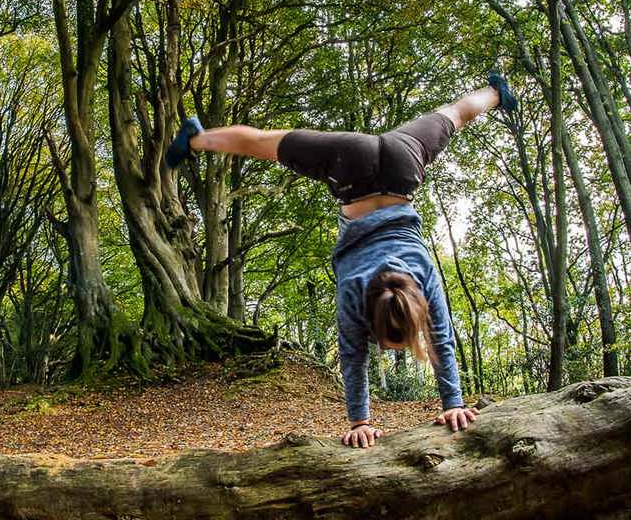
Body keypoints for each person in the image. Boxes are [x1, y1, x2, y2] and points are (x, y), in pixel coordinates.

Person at [165, 73, 518, 448]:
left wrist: (367, 420)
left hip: (394, 163)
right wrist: (448, 404)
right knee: (454, 114)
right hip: (369, 166)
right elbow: (411, 346)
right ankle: (496, 92)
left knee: (264, 142)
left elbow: (393, 348)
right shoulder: (355, 290)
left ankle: (196, 139)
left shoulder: (412, 277)